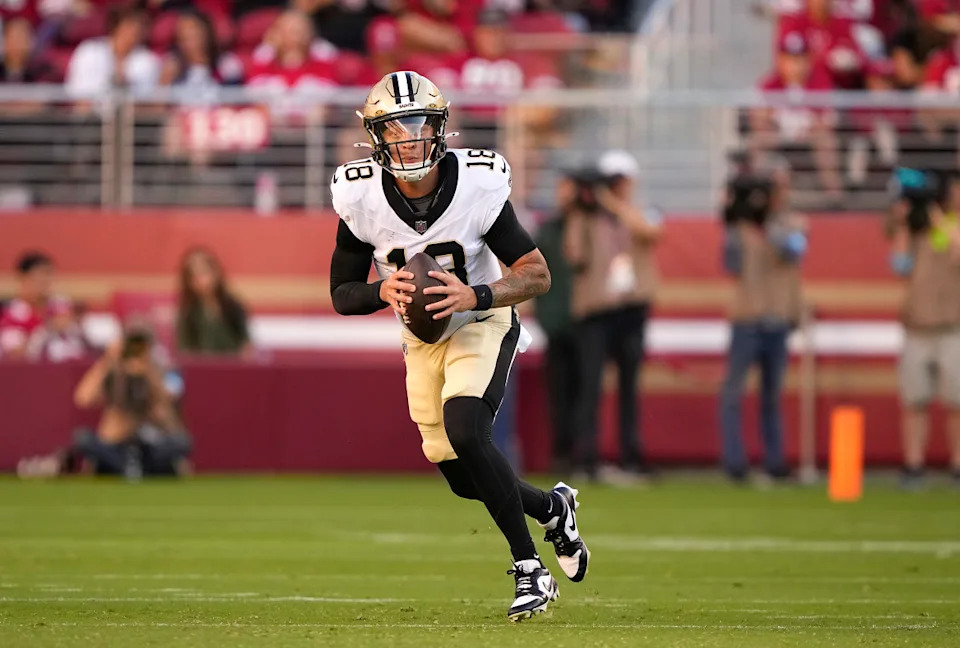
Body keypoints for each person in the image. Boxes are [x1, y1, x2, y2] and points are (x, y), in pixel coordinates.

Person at [328, 71, 589, 621]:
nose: (408, 139)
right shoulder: (359, 195)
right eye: (394, 130)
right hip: (421, 338)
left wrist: (477, 292)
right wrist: (382, 289)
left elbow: (536, 275)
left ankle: (529, 570)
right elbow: (342, 294)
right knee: (461, 476)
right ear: (376, 137)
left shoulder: (477, 182)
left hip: (481, 320)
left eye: (418, 125)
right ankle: (552, 508)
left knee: (468, 429)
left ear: (439, 128)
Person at [563, 151, 661, 485]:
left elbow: (650, 233)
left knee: (629, 386)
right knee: (590, 386)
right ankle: (587, 457)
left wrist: (614, 205)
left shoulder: (635, 211)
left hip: (631, 308)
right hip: (597, 311)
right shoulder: (584, 216)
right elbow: (573, 253)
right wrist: (584, 207)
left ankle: (630, 455)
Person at [718, 154, 807, 483]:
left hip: (778, 318)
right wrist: (733, 216)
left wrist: (765, 222)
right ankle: (735, 463)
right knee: (733, 394)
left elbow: (794, 250)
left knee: (771, 396)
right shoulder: (739, 226)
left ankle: (774, 461)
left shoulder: (791, 223)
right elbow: (730, 263)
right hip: (747, 318)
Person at [888, 169, 960, 487]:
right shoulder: (914, 228)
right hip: (917, 326)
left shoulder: (952, 226)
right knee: (914, 400)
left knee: (957, 402)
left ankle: (958, 463)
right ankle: (913, 464)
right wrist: (906, 222)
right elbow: (899, 265)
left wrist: (938, 219)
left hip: (952, 325)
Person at [72, 323, 191, 478]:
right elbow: (83, 398)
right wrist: (107, 361)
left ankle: (135, 468)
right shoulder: (114, 373)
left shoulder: (160, 370)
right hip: (116, 444)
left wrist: (148, 372)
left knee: (181, 442)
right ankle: (129, 468)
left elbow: (167, 404)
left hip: (148, 445)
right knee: (83, 439)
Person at [534, 173, 579, 474]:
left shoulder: (591, 226)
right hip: (557, 323)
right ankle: (563, 454)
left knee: (584, 393)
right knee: (560, 394)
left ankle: (583, 454)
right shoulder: (548, 230)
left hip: (588, 323)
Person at [64, 6, 160, 99]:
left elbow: (147, 101)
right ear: (117, 27)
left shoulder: (148, 60)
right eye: (129, 26)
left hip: (133, 113)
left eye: (139, 28)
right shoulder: (89, 51)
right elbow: (78, 94)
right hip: (91, 112)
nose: (134, 32)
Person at [176, 247, 251, 356]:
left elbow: (246, 344)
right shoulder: (187, 312)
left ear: (215, 273)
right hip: (200, 368)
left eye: (204, 272)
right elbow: (184, 350)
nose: (200, 280)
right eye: (193, 275)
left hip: (232, 366)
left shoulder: (233, 306)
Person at [0, 251, 55, 359]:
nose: (44, 284)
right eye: (38, 279)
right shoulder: (14, 316)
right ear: (23, 279)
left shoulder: (58, 310)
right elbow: (15, 355)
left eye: (48, 276)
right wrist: (47, 331)